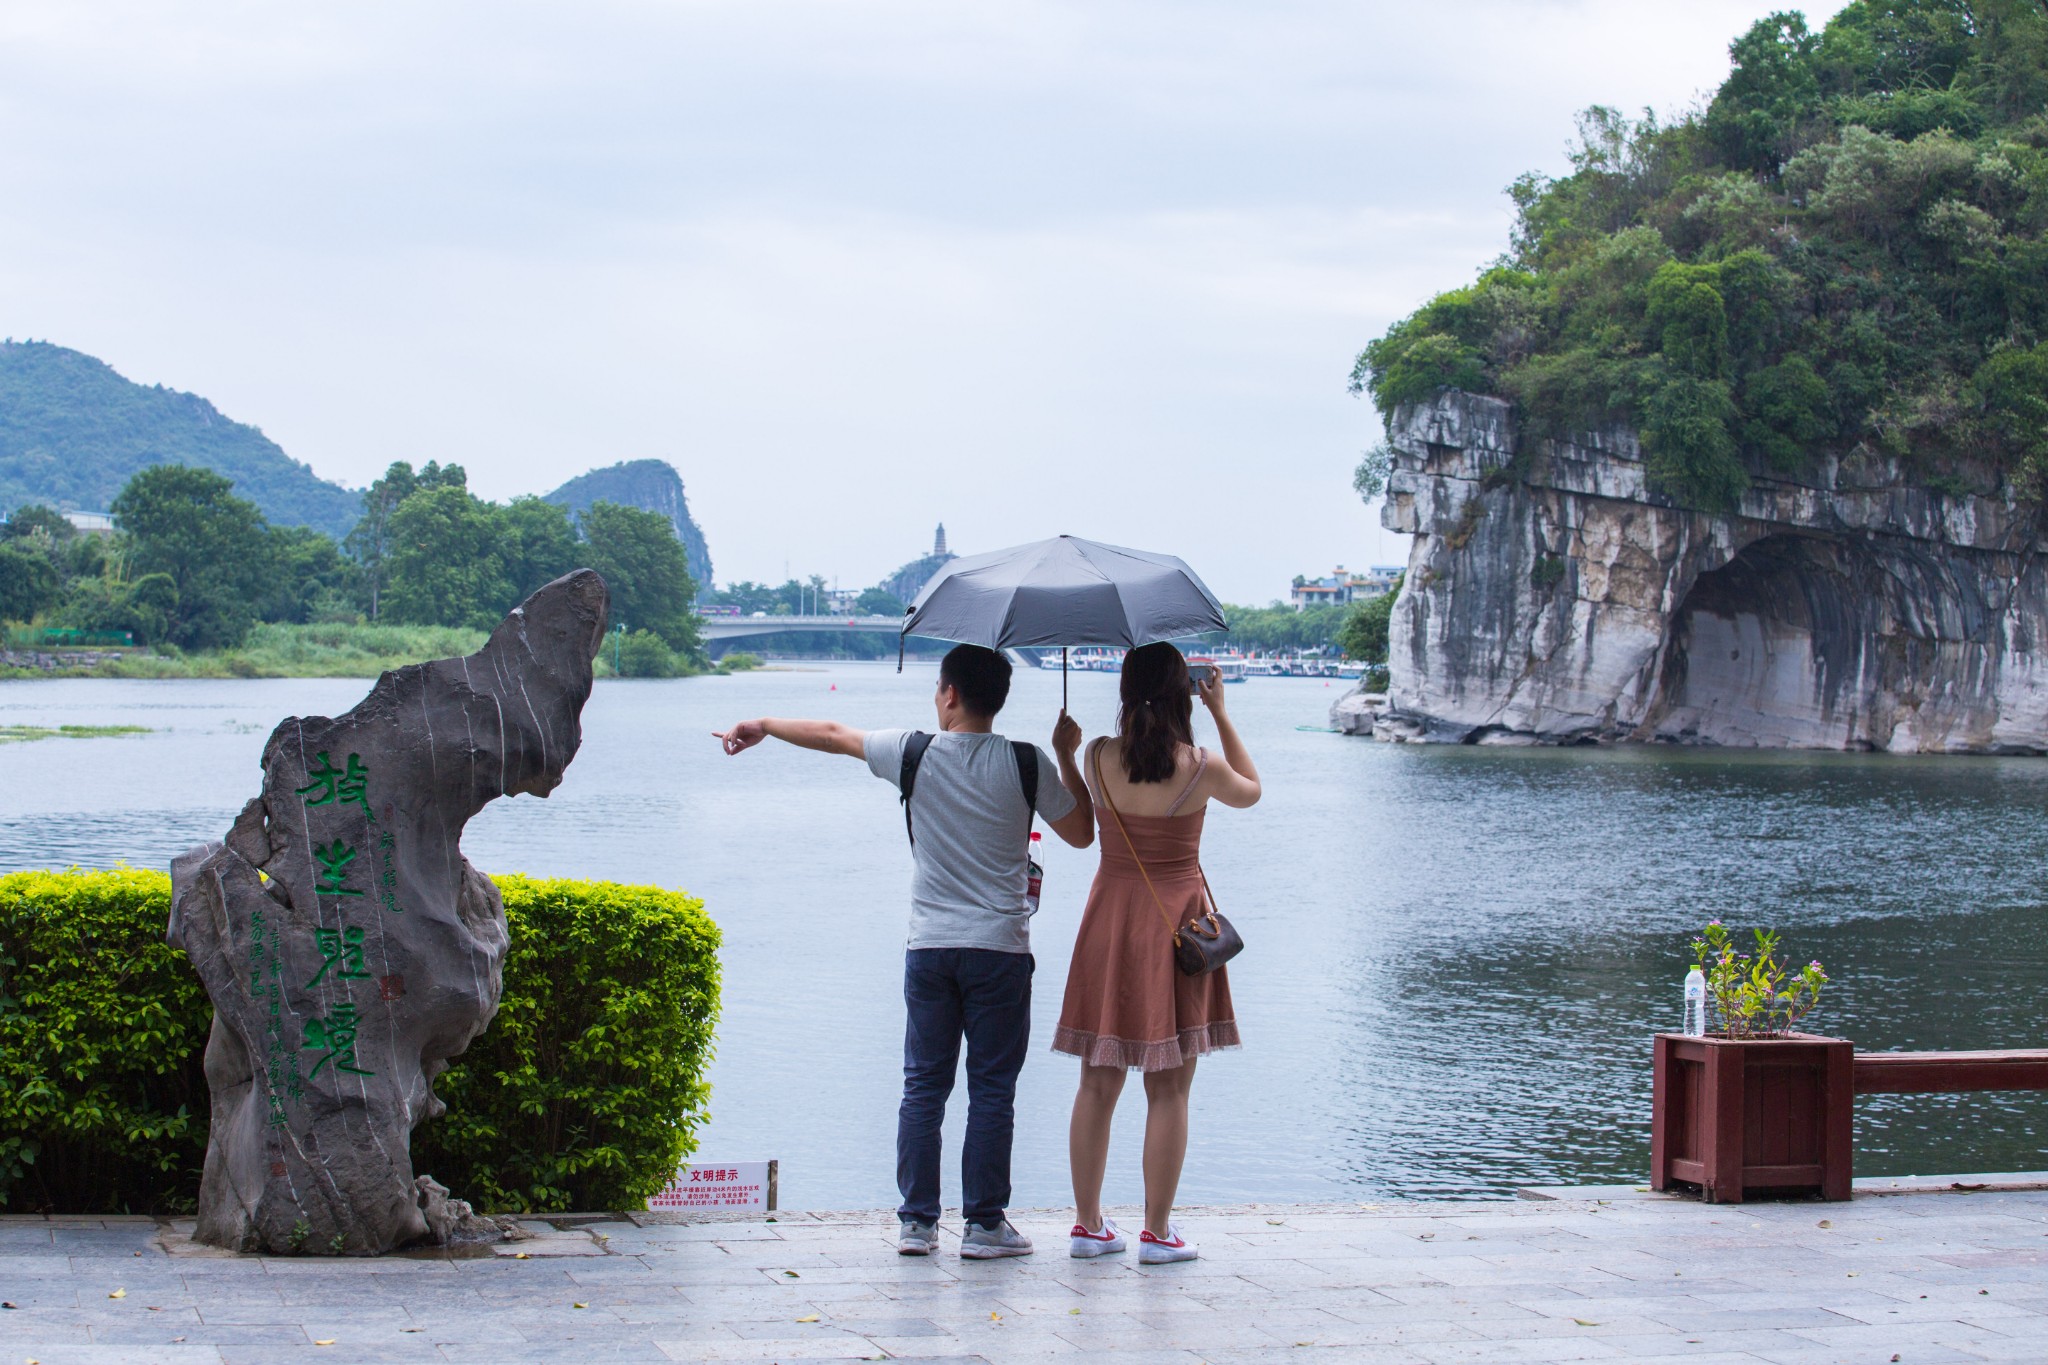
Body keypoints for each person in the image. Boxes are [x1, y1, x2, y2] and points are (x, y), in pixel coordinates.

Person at [714, 644, 1094, 1260]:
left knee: (923, 1087)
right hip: (1000, 949)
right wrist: (1066, 757)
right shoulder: (1026, 763)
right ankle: (983, 1227)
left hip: (931, 948)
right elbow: (1082, 834)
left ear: (949, 694)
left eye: (937, 688)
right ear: (998, 698)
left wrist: (762, 724)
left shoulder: (912, 752)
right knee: (992, 1090)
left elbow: (834, 734)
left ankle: (917, 1224)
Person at [1052, 643, 1261, 1265]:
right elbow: (1251, 791)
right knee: (1169, 1089)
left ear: (1123, 691)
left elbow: (1085, 830)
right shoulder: (1198, 765)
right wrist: (1220, 712)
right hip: (1177, 928)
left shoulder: (1095, 757)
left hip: (1110, 923)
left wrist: (1064, 753)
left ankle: (1088, 1228)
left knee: (1096, 1080)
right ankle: (1158, 1232)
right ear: (1182, 693)